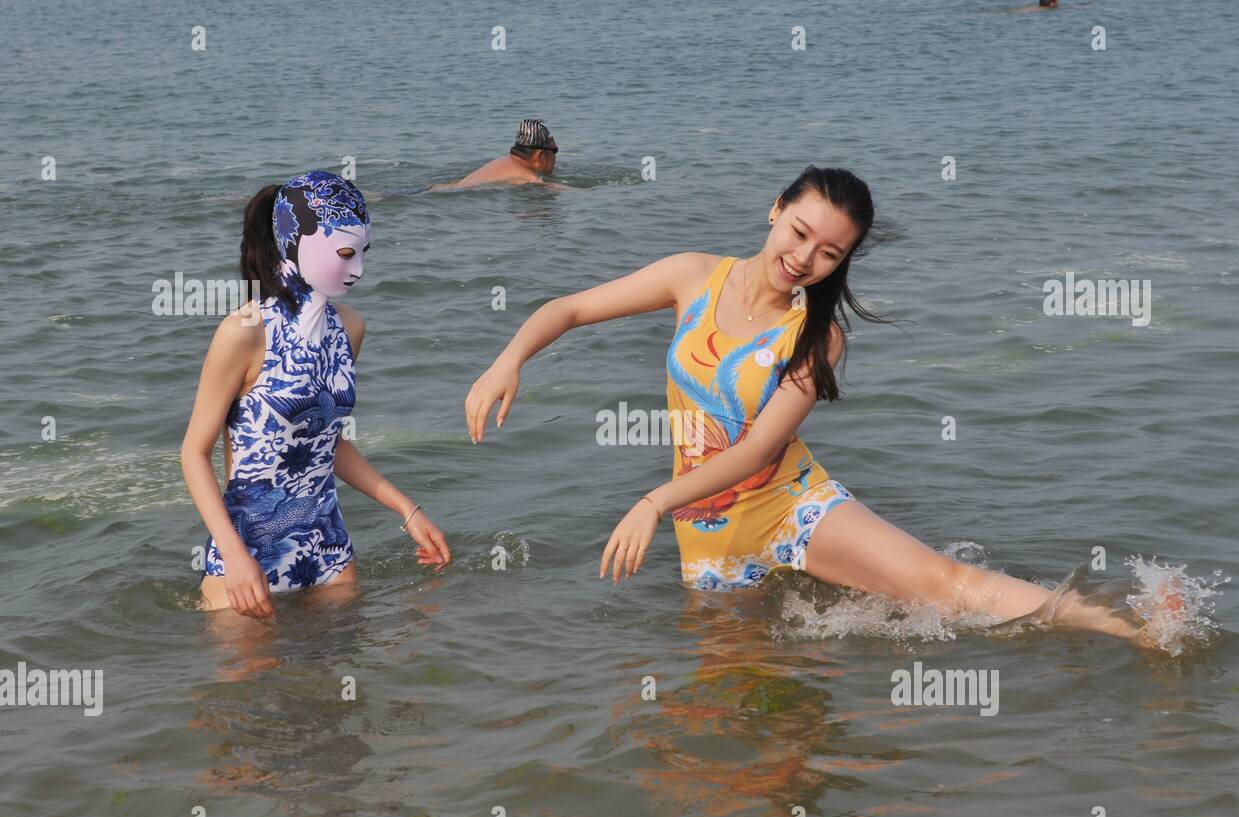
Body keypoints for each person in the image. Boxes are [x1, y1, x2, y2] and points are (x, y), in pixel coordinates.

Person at [464, 165, 1166, 645]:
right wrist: (508, 359)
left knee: (939, 583)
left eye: (829, 253)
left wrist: (653, 501)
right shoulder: (693, 277)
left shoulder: (818, 337)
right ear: (775, 210)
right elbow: (571, 307)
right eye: (799, 233)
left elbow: (757, 451)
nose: (804, 258)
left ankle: (1125, 629)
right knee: (731, 724)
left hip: (788, 502)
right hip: (707, 531)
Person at [181, 171, 450, 617]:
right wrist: (233, 556)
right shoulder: (243, 334)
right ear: (296, 244)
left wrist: (407, 509)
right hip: (246, 557)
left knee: (343, 681)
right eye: (345, 253)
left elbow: (325, 441)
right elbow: (194, 452)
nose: (359, 268)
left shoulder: (350, 328)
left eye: (365, 252)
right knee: (245, 687)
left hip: (329, 550)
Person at [430, 119, 559, 190]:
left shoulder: (500, 162)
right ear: (540, 156)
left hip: (435, 189)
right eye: (554, 151)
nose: (555, 158)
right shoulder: (528, 178)